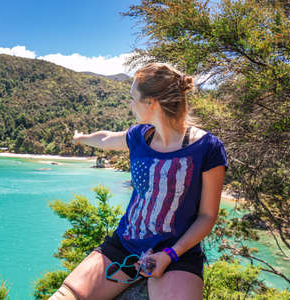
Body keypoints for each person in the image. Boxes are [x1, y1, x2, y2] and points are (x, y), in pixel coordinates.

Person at [49, 63, 228, 300]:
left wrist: (170, 255)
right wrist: (80, 138)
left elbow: (207, 216)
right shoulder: (139, 136)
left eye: (134, 98)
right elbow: (106, 138)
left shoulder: (208, 148)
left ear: (151, 103)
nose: (131, 105)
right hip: (125, 244)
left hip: (177, 254)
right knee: (66, 296)